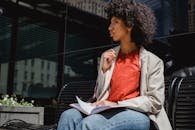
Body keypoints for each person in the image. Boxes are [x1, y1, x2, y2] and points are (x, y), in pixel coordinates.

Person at [57, 0, 172, 130]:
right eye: (110, 23)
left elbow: (155, 101)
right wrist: (104, 71)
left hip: (137, 114)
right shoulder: (108, 56)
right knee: (68, 115)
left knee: (91, 124)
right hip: (106, 111)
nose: (109, 27)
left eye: (115, 22)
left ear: (129, 25)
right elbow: (100, 96)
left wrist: (116, 104)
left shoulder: (153, 62)